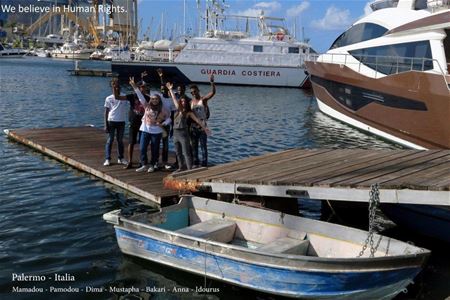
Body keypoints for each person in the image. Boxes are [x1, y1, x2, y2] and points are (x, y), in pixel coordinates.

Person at [130, 77, 171, 173]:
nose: (154, 100)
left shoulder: (162, 109)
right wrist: (134, 86)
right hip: (145, 129)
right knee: (142, 147)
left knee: (155, 149)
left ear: (159, 100)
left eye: (156, 99)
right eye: (153, 99)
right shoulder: (147, 106)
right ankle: (144, 164)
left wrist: (163, 123)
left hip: (156, 132)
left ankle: (153, 164)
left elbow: (169, 118)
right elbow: (140, 96)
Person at [166, 82, 210, 171]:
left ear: (186, 103)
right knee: (178, 152)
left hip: (183, 133)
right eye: (181, 101)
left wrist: (205, 128)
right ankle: (181, 166)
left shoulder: (188, 112)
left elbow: (197, 120)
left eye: (184, 101)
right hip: (175, 133)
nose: (182, 102)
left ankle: (190, 169)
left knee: (186, 152)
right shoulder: (177, 110)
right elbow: (174, 99)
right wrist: (170, 89)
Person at [190, 74, 216, 167]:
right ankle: (195, 162)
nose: (193, 93)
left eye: (194, 91)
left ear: (198, 91)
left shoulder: (203, 100)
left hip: (203, 126)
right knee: (194, 146)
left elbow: (212, 93)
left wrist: (212, 83)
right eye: (192, 92)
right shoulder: (191, 102)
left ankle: (204, 163)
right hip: (193, 126)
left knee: (203, 146)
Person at [103, 78, 129, 166]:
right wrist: (106, 124)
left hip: (121, 121)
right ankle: (107, 159)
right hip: (111, 121)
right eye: (114, 86)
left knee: (120, 140)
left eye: (117, 86)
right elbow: (106, 112)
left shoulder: (124, 96)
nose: (116, 88)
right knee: (110, 140)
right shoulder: (108, 98)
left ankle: (121, 158)